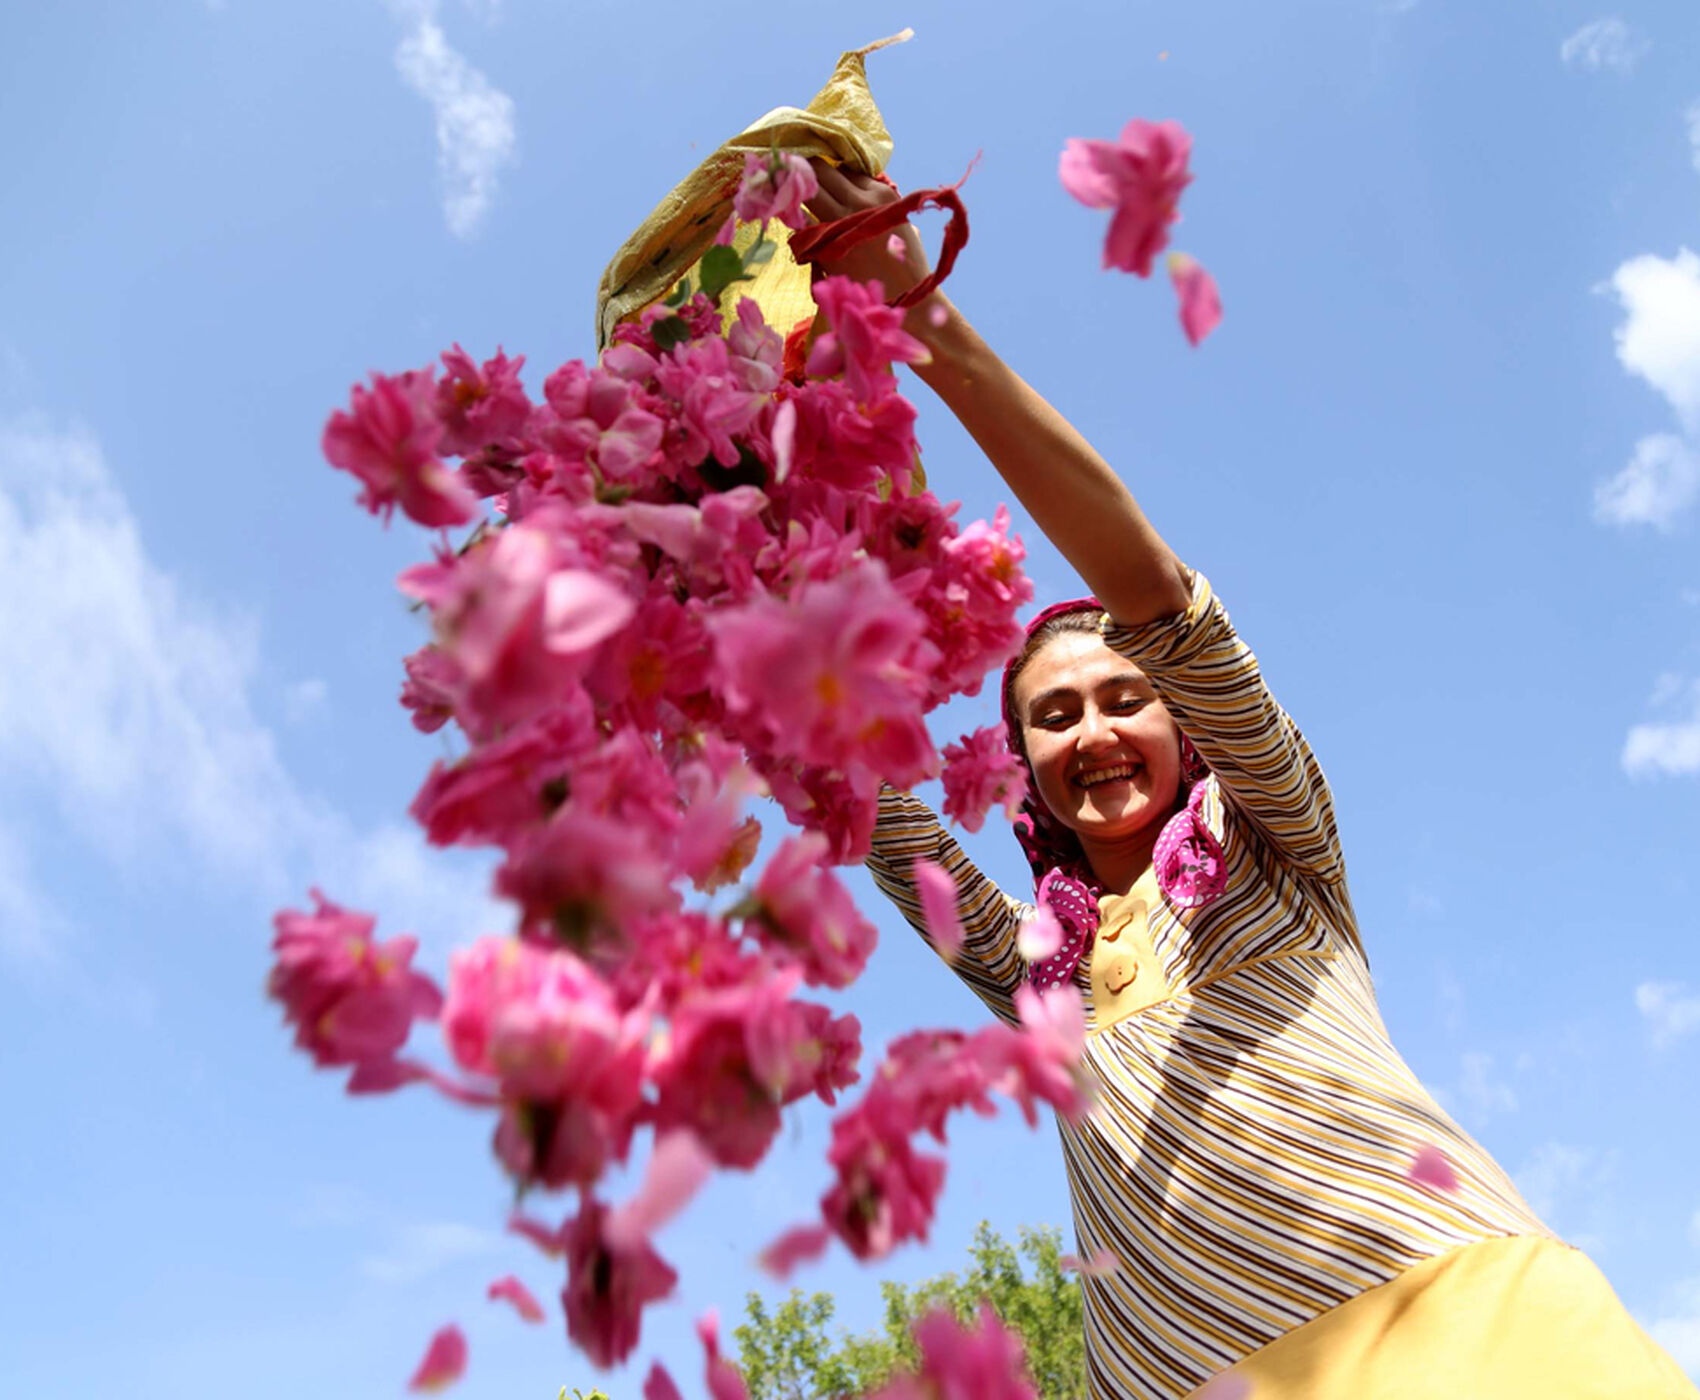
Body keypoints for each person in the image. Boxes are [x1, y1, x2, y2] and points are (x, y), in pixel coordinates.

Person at [801, 160, 1697, 1400]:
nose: (1095, 730)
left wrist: (918, 316)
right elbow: (849, 776)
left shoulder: (1279, 840)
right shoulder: (1024, 971)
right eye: (1054, 717)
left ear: (1187, 723)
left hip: (1463, 1331)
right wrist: (728, 525)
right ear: (1026, 777)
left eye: (1126, 697)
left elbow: (1154, 594)